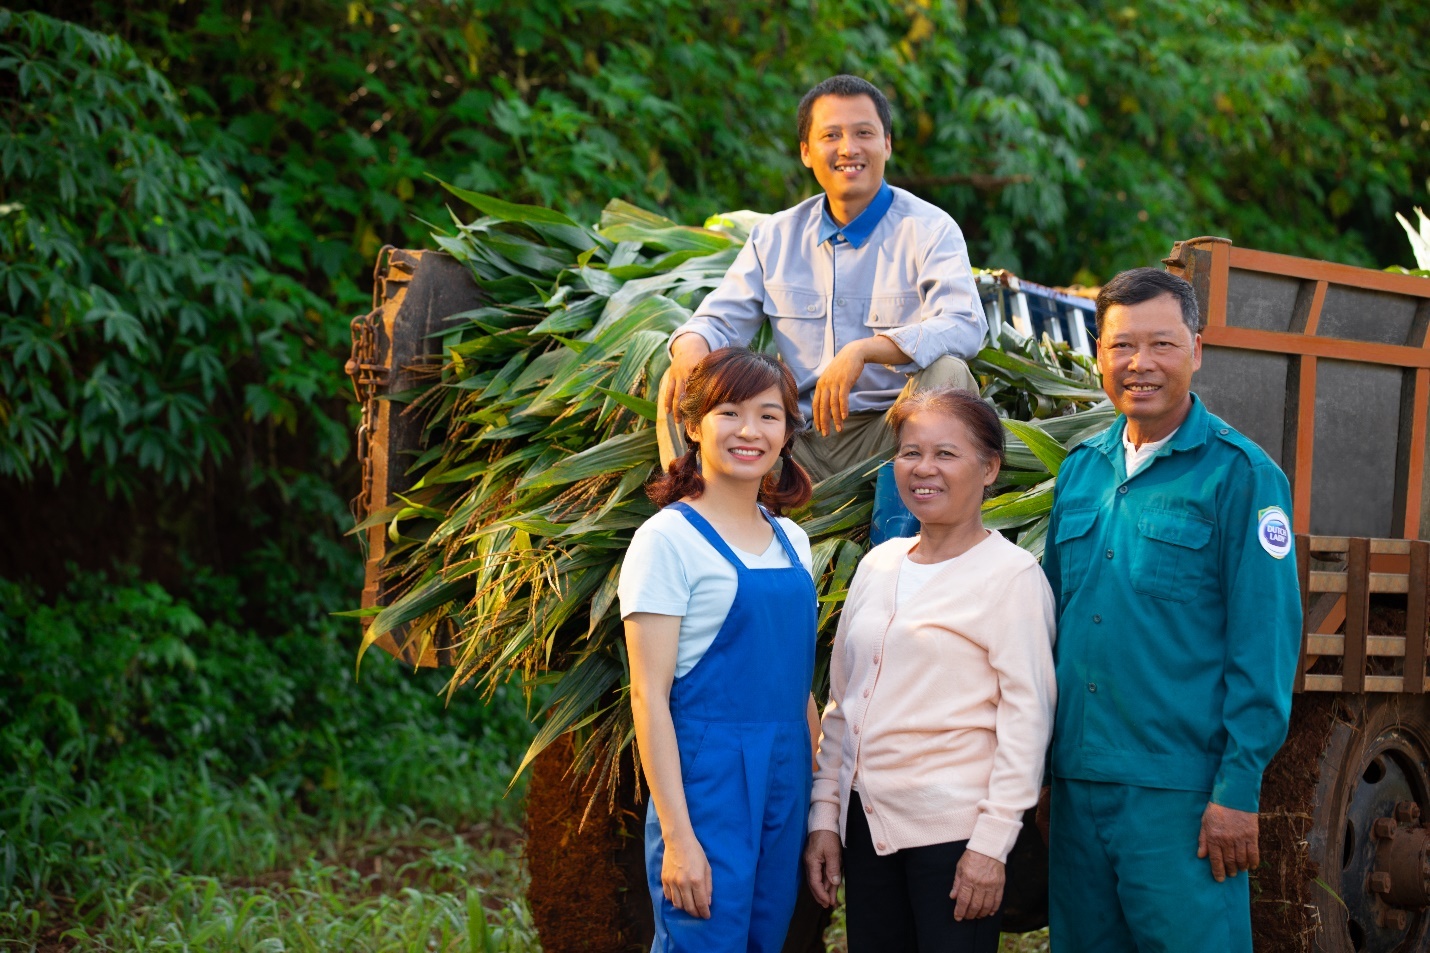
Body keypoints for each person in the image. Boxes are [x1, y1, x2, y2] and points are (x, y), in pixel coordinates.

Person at [1040, 268, 1302, 953]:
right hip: (1077, 788)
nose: (1140, 364)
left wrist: (1238, 787)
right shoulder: (1080, 470)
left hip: (1180, 797)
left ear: (1196, 348)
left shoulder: (1240, 476)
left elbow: (1264, 644)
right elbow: (1047, 626)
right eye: (1122, 346)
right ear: (1099, 353)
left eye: (1161, 344)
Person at [803, 386, 1057, 953]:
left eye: (946, 454)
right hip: (867, 830)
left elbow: (1027, 724)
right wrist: (826, 814)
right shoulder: (878, 564)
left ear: (990, 468)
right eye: (910, 452)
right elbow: (845, 704)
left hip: (955, 839)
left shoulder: (1011, 577)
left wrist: (991, 847)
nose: (924, 469)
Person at [656, 74, 988, 484]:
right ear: (806, 152)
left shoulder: (931, 229)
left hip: (892, 440)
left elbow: (965, 323)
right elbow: (720, 322)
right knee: (679, 373)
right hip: (794, 444)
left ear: (886, 143)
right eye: (831, 135)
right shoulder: (774, 236)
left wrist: (867, 350)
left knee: (947, 374)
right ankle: (694, 517)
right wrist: (691, 347)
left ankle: (908, 533)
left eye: (864, 133)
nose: (849, 148)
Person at [621, 347, 821, 952]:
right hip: (709, 782)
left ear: (787, 433)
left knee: (766, 940)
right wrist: (679, 839)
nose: (749, 432)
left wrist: (816, 806)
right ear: (693, 424)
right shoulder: (665, 541)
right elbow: (648, 697)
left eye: (769, 415)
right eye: (729, 412)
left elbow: (800, 687)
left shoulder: (795, 540)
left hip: (787, 776)